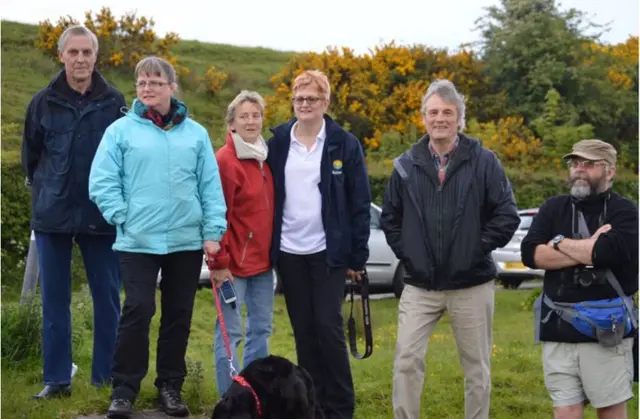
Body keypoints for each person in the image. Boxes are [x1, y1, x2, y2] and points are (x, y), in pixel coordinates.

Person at [88, 56, 227, 418]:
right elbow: (102, 180)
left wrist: (213, 232)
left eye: (155, 82)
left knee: (178, 314)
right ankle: (123, 390)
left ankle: (170, 387)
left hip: (185, 240)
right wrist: (122, 216)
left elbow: (210, 186)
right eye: (142, 83)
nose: (147, 89)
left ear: (171, 87)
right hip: (137, 240)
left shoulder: (195, 134)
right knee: (138, 308)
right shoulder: (120, 131)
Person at [380, 79, 520, 419]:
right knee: (406, 361)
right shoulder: (405, 165)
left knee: (477, 368)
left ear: (460, 118)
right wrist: (410, 254)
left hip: (471, 283)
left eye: (447, 112)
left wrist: (475, 249)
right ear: (423, 118)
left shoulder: (484, 161)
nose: (439, 118)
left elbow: (506, 215)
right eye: (433, 112)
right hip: (419, 285)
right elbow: (390, 220)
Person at [20, 24, 126, 400]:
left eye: (87, 52)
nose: (80, 59)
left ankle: (105, 379)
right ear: (61, 55)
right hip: (53, 217)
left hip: (102, 218)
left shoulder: (115, 102)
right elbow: (31, 159)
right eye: (73, 52)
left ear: (96, 56)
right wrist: (49, 193)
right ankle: (57, 380)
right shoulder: (42, 102)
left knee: (108, 299)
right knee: (54, 301)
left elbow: (124, 159)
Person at [266, 69, 371, 419]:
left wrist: (357, 256)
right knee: (304, 333)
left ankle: (340, 408)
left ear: (325, 102)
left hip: (328, 253)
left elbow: (359, 202)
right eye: (299, 98)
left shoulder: (344, 143)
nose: (305, 104)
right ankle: (312, 406)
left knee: (329, 329)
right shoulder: (279, 142)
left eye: (312, 98)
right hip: (289, 252)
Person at [521, 139, 638, 419]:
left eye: (588, 164)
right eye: (575, 163)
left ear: (609, 171)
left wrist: (558, 243)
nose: (579, 170)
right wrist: (586, 249)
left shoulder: (625, 212)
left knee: (610, 410)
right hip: (557, 330)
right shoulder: (553, 208)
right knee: (566, 411)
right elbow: (531, 255)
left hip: (607, 333)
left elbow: (605, 252)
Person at [209, 90, 275, 397]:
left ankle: (255, 400)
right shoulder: (226, 160)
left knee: (261, 332)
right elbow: (216, 213)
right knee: (230, 334)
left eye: (256, 115)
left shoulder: (265, 156)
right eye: (244, 116)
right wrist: (218, 263)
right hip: (232, 267)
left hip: (263, 266)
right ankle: (229, 402)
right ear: (232, 123)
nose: (251, 121)